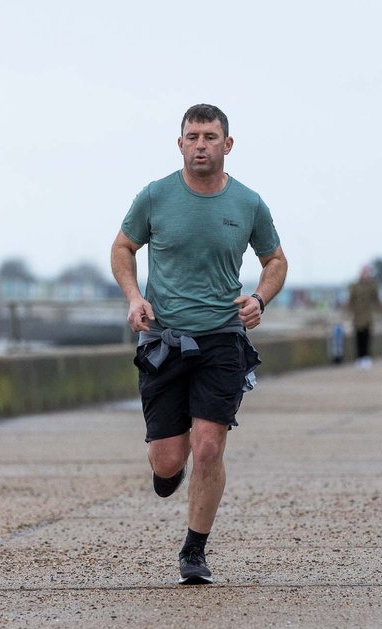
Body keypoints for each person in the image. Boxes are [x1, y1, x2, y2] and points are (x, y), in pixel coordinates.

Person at [110, 104, 287, 585]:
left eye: (211, 136)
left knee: (208, 447)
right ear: (181, 143)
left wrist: (260, 298)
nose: (201, 144)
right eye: (193, 136)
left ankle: (194, 551)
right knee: (169, 462)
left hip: (222, 339)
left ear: (228, 145)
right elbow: (122, 247)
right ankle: (169, 472)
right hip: (164, 338)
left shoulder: (248, 203)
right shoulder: (155, 197)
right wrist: (133, 297)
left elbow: (275, 260)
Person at [347, 265, 382, 369]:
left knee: (367, 338)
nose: (365, 274)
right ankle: (359, 358)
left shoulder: (372, 286)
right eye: (364, 272)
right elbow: (351, 300)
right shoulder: (355, 286)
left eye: (367, 272)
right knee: (358, 338)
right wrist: (347, 312)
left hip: (368, 316)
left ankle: (366, 358)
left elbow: (377, 300)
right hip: (357, 315)